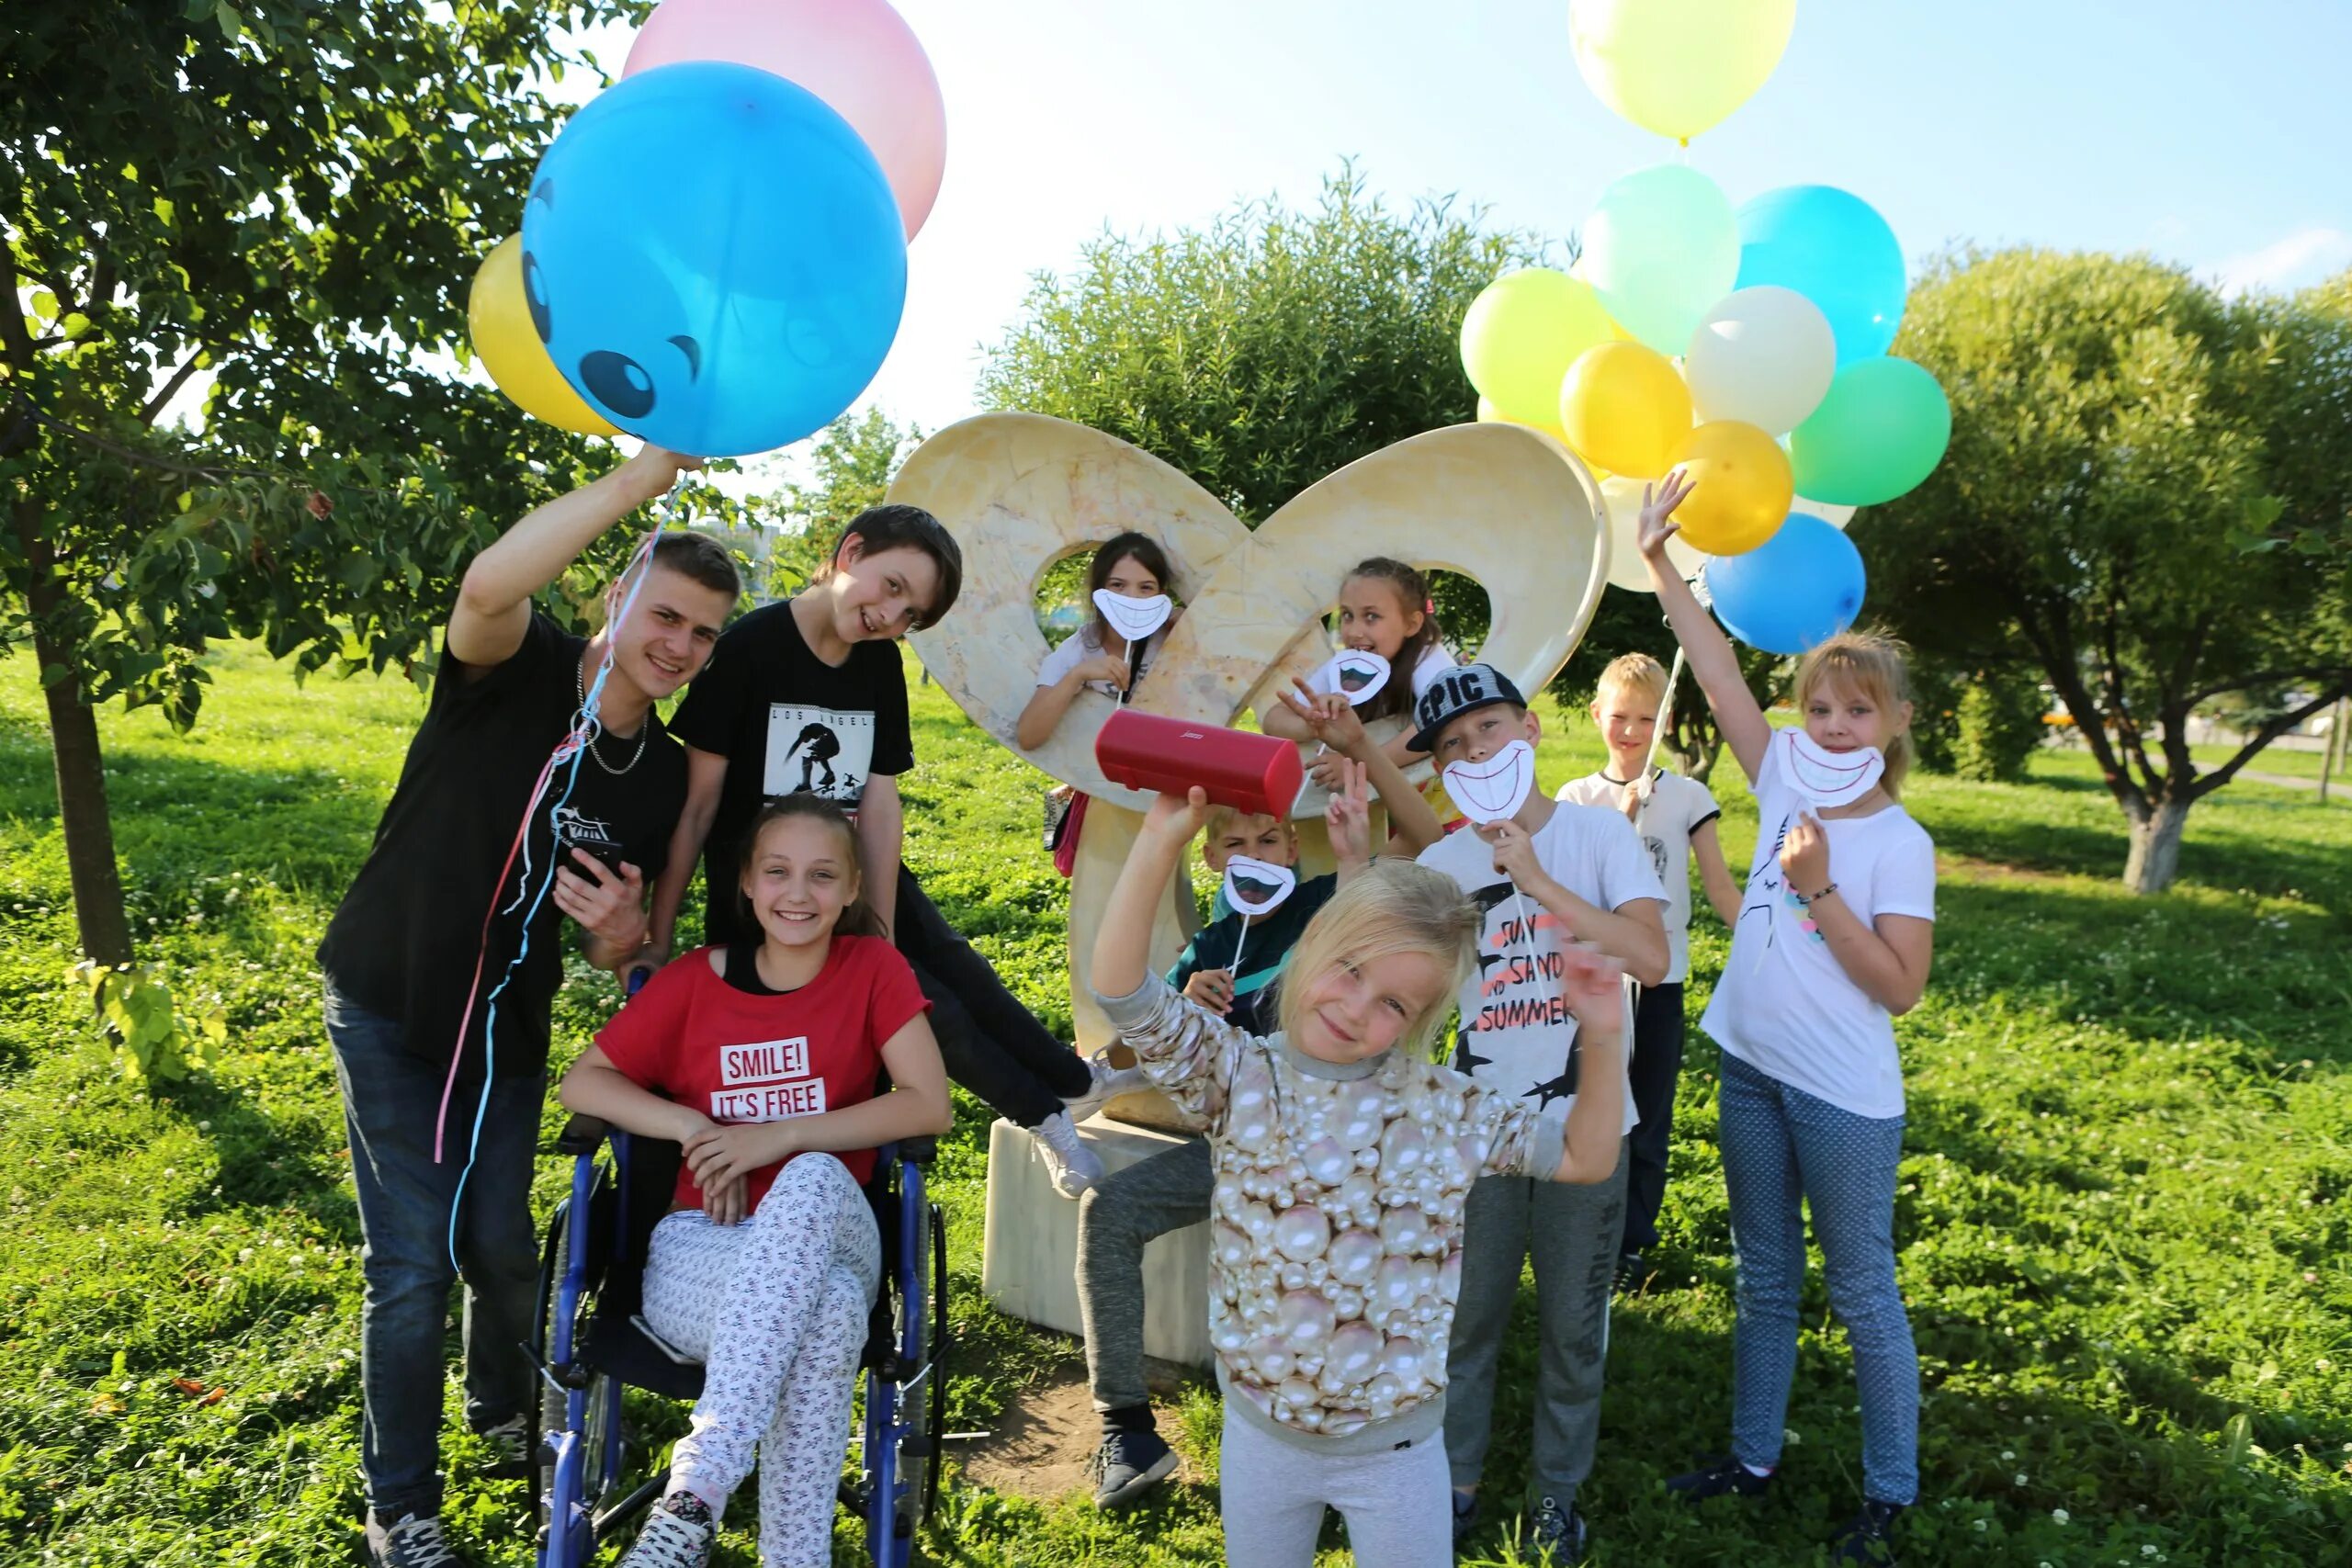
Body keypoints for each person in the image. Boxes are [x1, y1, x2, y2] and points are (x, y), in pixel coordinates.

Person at [317, 446, 741, 1568]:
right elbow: (484, 589)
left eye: (702, 634)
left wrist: (616, 943)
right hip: (388, 996)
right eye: (666, 615)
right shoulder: (519, 668)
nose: (679, 647)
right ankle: (398, 1509)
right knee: (409, 1266)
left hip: (504, 1025)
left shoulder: (658, 776)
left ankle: (497, 1405)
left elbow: (637, 949)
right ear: (620, 595)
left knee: (501, 1242)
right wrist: (634, 484)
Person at [1091, 782, 1631, 1568]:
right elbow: (1122, 993)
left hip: (1398, 1453)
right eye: (1348, 969)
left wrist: (1606, 1035)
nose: (1354, 1008)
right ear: (1313, 943)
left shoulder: (1447, 1107)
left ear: (1419, 1022)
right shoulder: (1234, 1072)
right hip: (1259, 1436)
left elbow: (1586, 1156)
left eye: (1392, 1004)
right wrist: (1157, 842)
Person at [646, 505, 1128, 1200]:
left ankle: (1075, 1079)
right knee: (926, 1006)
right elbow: (696, 810)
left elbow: (877, 799)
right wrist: (659, 938)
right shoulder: (749, 649)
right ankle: (1049, 1117)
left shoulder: (876, 664)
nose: (891, 616)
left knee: (959, 965)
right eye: (892, 586)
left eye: (912, 614)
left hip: (856, 874)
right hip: (778, 899)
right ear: (850, 553)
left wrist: (883, 926)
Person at [1638, 472, 1938, 1567]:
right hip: (1751, 1066)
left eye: (1858, 708)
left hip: (1842, 1098)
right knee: (1764, 1277)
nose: (1835, 722)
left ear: (1895, 723)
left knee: (1861, 1292)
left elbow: (1899, 986)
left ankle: (1889, 1494)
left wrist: (1815, 889)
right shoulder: (1780, 786)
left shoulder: (1898, 844)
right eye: (1819, 706)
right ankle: (1751, 1457)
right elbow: (1715, 675)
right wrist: (1666, 562)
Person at [560, 795, 951, 1567]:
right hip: (702, 1248)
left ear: (851, 891)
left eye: (821, 874)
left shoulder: (873, 968)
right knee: (831, 1312)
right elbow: (584, 1083)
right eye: (777, 871)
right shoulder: (693, 982)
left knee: (806, 1176)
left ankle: (695, 1491)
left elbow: (928, 1103)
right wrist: (693, 1128)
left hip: (835, 1222)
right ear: (746, 883)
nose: (797, 893)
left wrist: (780, 1136)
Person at [1079, 688, 1443, 1510]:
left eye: (1269, 838)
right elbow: (1136, 1040)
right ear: (1211, 859)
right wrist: (1185, 1000)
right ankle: (1127, 1429)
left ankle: (1340, 1443)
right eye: (1234, 841)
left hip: (1322, 1165)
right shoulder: (1208, 945)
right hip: (1227, 1153)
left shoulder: (1324, 907)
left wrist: (1354, 860)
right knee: (1108, 1210)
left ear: (1293, 843)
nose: (1254, 852)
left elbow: (1383, 907)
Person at [1406, 661, 1669, 1556]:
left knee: (1571, 1329)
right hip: (1477, 1138)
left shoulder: (1598, 837)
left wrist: (1537, 879)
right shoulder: (1442, 866)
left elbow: (1651, 956)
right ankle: (1455, 1484)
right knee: (1466, 1320)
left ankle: (1557, 1493)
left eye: (1486, 730)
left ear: (1529, 730)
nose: (1473, 752)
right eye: (1451, 747)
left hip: (1589, 1135)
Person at [1554, 651, 1741, 1292]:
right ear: (1596, 714)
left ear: (1661, 722)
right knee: (1592, 1106)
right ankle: (1579, 1228)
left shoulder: (1689, 796)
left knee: (1651, 1116)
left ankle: (1632, 1243)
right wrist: (1620, 821)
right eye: (1619, 716)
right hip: (1595, 981)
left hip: (1660, 983)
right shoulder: (1577, 798)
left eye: (1644, 718)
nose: (1630, 730)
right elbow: (1567, 889)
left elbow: (1719, 888)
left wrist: (1773, 937)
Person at [1259, 556, 1457, 790]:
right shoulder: (1344, 666)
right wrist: (1312, 725)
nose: (1353, 631)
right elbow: (1274, 719)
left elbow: (1446, 719)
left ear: (1411, 624)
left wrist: (1358, 765)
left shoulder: (1426, 656)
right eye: (1347, 615)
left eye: (1371, 616)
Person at [1016, 530, 1177, 749]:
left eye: (1146, 587)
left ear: (1161, 594)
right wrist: (1078, 674)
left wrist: (1189, 625)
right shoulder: (1079, 648)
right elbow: (1028, 737)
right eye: (1118, 585)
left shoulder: (1175, 636)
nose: (1131, 597)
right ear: (1098, 591)